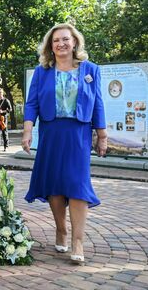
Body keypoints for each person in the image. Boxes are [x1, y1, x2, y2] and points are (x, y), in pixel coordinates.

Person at [22, 23, 107, 265]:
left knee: (77, 183)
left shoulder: (90, 70)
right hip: (51, 131)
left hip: (79, 132)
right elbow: (31, 104)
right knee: (55, 185)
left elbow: (98, 103)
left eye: (66, 39)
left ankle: (77, 241)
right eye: (56, 40)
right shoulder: (42, 71)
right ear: (51, 45)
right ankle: (61, 229)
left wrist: (102, 135)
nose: (61, 43)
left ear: (75, 42)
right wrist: (28, 131)